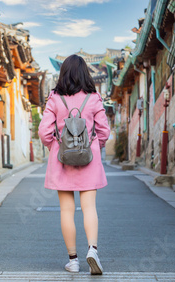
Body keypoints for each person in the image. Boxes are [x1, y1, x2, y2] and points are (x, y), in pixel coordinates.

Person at [38, 54, 111, 275]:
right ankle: (93, 250)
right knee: (89, 207)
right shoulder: (94, 98)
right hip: (88, 159)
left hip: (63, 161)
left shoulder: (54, 99)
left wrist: (54, 147)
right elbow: (104, 131)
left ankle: (74, 261)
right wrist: (95, 147)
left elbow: (44, 132)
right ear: (85, 74)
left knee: (67, 210)